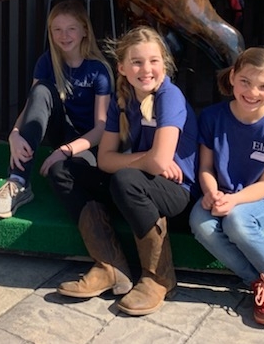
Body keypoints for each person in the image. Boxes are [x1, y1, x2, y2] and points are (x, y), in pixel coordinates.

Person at [55, 26, 199, 316]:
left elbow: (158, 165)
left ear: (164, 64)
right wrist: (147, 156)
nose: (146, 69)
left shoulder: (169, 96)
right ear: (121, 67)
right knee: (64, 169)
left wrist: (146, 160)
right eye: (136, 62)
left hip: (176, 195)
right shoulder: (121, 101)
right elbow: (106, 159)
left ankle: (159, 276)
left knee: (126, 178)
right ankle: (110, 266)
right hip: (133, 187)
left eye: (153, 61)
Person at [189, 47, 264, 338]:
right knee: (200, 224)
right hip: (220, 193)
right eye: (245, 81)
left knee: (237, 221)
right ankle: (258, 284)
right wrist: (210, 192)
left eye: (263, 86)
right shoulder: (211, 117)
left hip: (258, 200)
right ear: (232, 77)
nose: (252, 91)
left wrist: (231, 201)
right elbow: (205, 167)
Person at [0, 0, 113, 219]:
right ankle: (17, 181)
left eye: (71, 29)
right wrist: (14, 134)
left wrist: (66, 151)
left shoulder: (98, 70)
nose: (65, 36)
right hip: (61, 134)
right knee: (42, 89)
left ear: (84, 30)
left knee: (64, 175)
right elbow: (33, 103)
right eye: (58, 30)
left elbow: (102, 128)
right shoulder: (46, 62)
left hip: (88, 145)